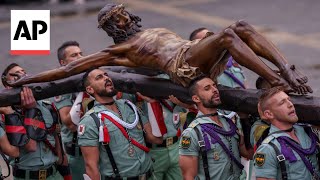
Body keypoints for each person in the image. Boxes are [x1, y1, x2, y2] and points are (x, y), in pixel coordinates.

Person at [9, 4, 311, 95]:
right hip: (184, 66)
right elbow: (66, 70)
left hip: (192, 50)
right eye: (115, 19)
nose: (122, 18)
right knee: (230, 37)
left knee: (241, 25)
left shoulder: (148, 29)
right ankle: (274, 78)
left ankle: (285, 69)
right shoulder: (119, 50)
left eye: (122, 13)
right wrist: (25, 80)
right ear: (112, 28)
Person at [78, 68, 163, 179]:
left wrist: (153, 104)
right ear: (90, 89)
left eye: (106, 75)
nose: (106, 78)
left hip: (150, 175)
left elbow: (156, 139)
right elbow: (91, 166)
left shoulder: (129, 106)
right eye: (99, 77)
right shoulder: (90, 120)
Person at [179, 74, 251, 180]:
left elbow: (248, 154)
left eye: (214, 86)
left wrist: (244, 119)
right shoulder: (192, 133)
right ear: (196, 98)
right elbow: (188, 175)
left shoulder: (229, 124)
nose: (215, 90)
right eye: (207, 88)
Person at [1, 63, 66, 180]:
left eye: (23, 72)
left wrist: (66, 174)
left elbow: (58, 143)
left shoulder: (47, 106)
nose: (22, 75)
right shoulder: (4, 114)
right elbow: (31, 146)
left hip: (54, 174)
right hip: (26, 176)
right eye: (15, 75)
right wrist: (31, 109)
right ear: (7, 86)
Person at [254, 87, 320, 180]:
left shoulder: (308, 132)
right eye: (282, 103)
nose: (290, 105)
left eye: (289, 100)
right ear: (269, 114)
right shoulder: (268, 148)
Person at [52, 40, 86, 180]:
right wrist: (84, 93)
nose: (80, 57)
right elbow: (70, 123)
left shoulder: (90, 79)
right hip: (79, 155)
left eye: (81, 54)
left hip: (100, 149)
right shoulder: (63, 87)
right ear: (63, 63)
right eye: (74, 55)